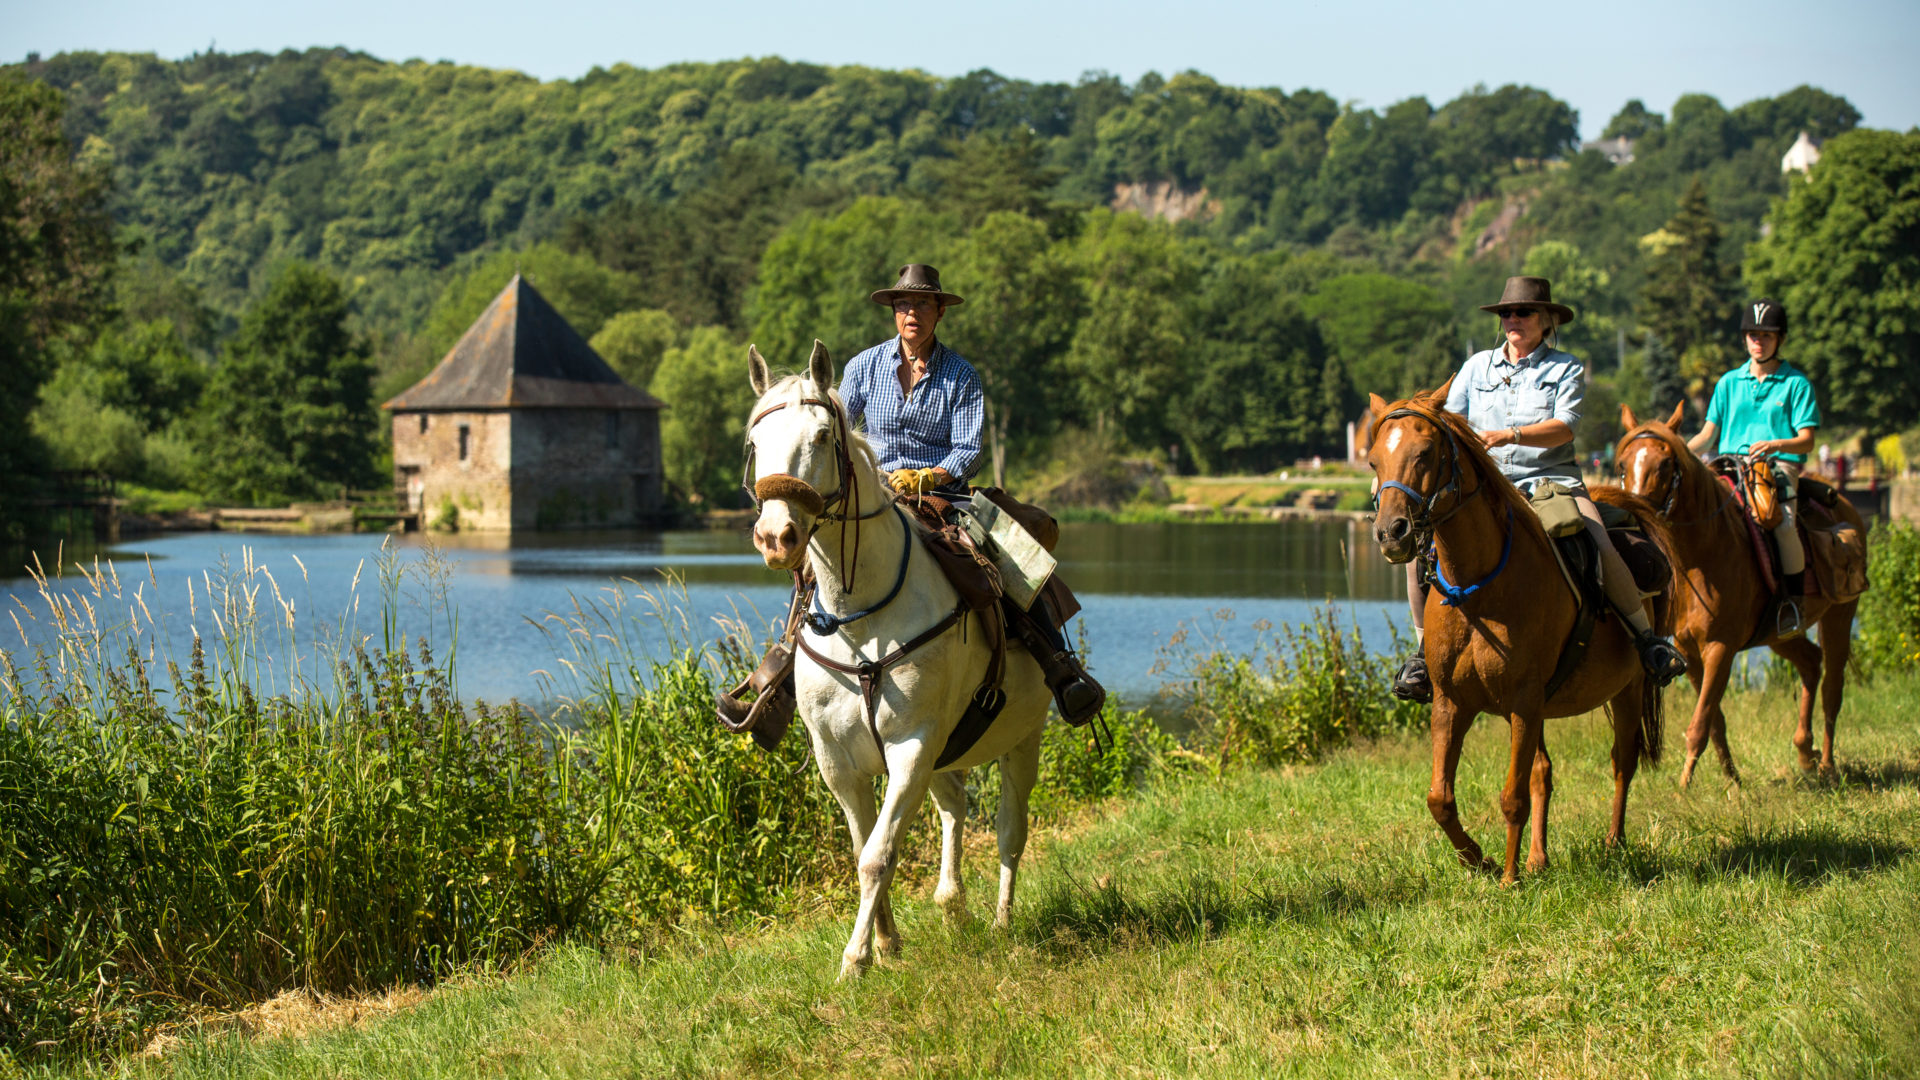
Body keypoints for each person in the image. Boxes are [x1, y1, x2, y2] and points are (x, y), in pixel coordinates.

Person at [1391, 276, 1688, 703]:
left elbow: (1565, 427)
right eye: (1507, 313)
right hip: (1486, 490)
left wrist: (1510, 435)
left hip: (1552, 482)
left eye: (1524, 312)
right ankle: (1422, 655)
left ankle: (1648, 642)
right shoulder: (1476, 367)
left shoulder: (1566, 367)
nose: (1513, 319)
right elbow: (1448, 424)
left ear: (1547, 320)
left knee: (1596, 540)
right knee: (1422, 550)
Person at [841, 264, 1105, 724]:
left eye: (922, 304)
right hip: (876, 495)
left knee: (1004, 559)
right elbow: (840, 431)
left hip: (944, 497)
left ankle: (1060, 669)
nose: (911, 314)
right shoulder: (863, 367)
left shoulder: (962, 375)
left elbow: (968, 449)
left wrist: (929, 476)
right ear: (893, 312)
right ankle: (780, 679)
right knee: (815, 554)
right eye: (904, 305)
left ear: (940, 311)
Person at [1685, 298, 1820, 634]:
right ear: (1745, 338)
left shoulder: (1796, 384)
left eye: (1767, 335)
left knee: (1784, 525)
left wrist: (1775, 444)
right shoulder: (1729, 383)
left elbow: (1806, 440)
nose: (1759, 341)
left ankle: (1792, 601)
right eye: (1752, 335)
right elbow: (1707, 435)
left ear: (1781, 339)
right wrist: (1676, 453)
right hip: (1728, 466)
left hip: (1777, 467)